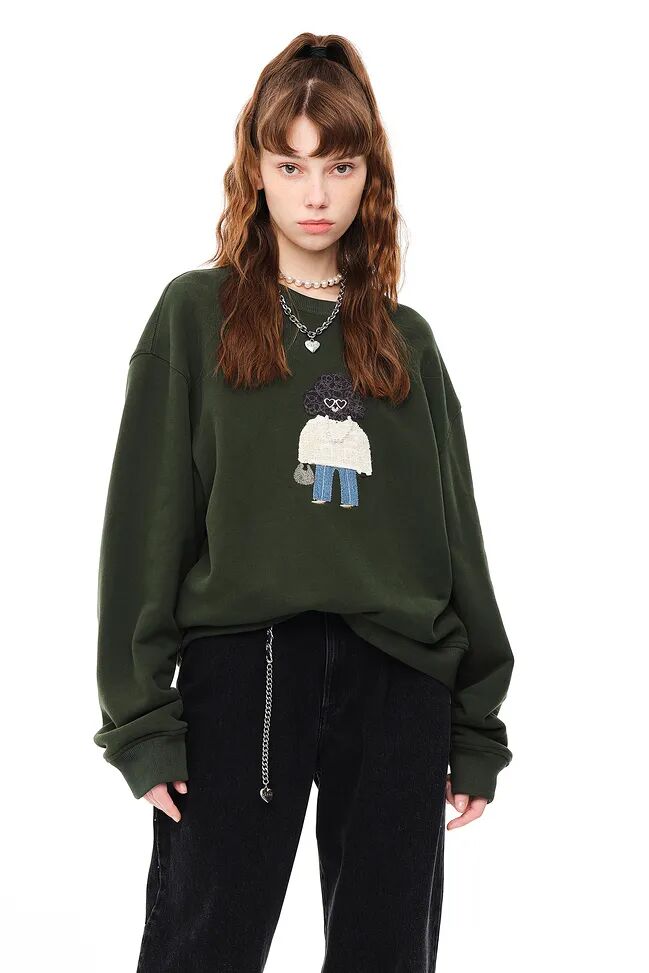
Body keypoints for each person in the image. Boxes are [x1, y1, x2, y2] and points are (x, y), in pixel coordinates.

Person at [93, 33, 515, 973]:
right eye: (291, 165)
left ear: (370, 175)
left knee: (385, 953)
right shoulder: (194, 315)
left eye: (339, 165)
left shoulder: (406, 342)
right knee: (204, 944)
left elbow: (456, 537)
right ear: (257, 170)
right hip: (244, 669)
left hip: (398, 676)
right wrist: (141, 720)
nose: (315, 193)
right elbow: (145, 525)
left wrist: (473, 724)